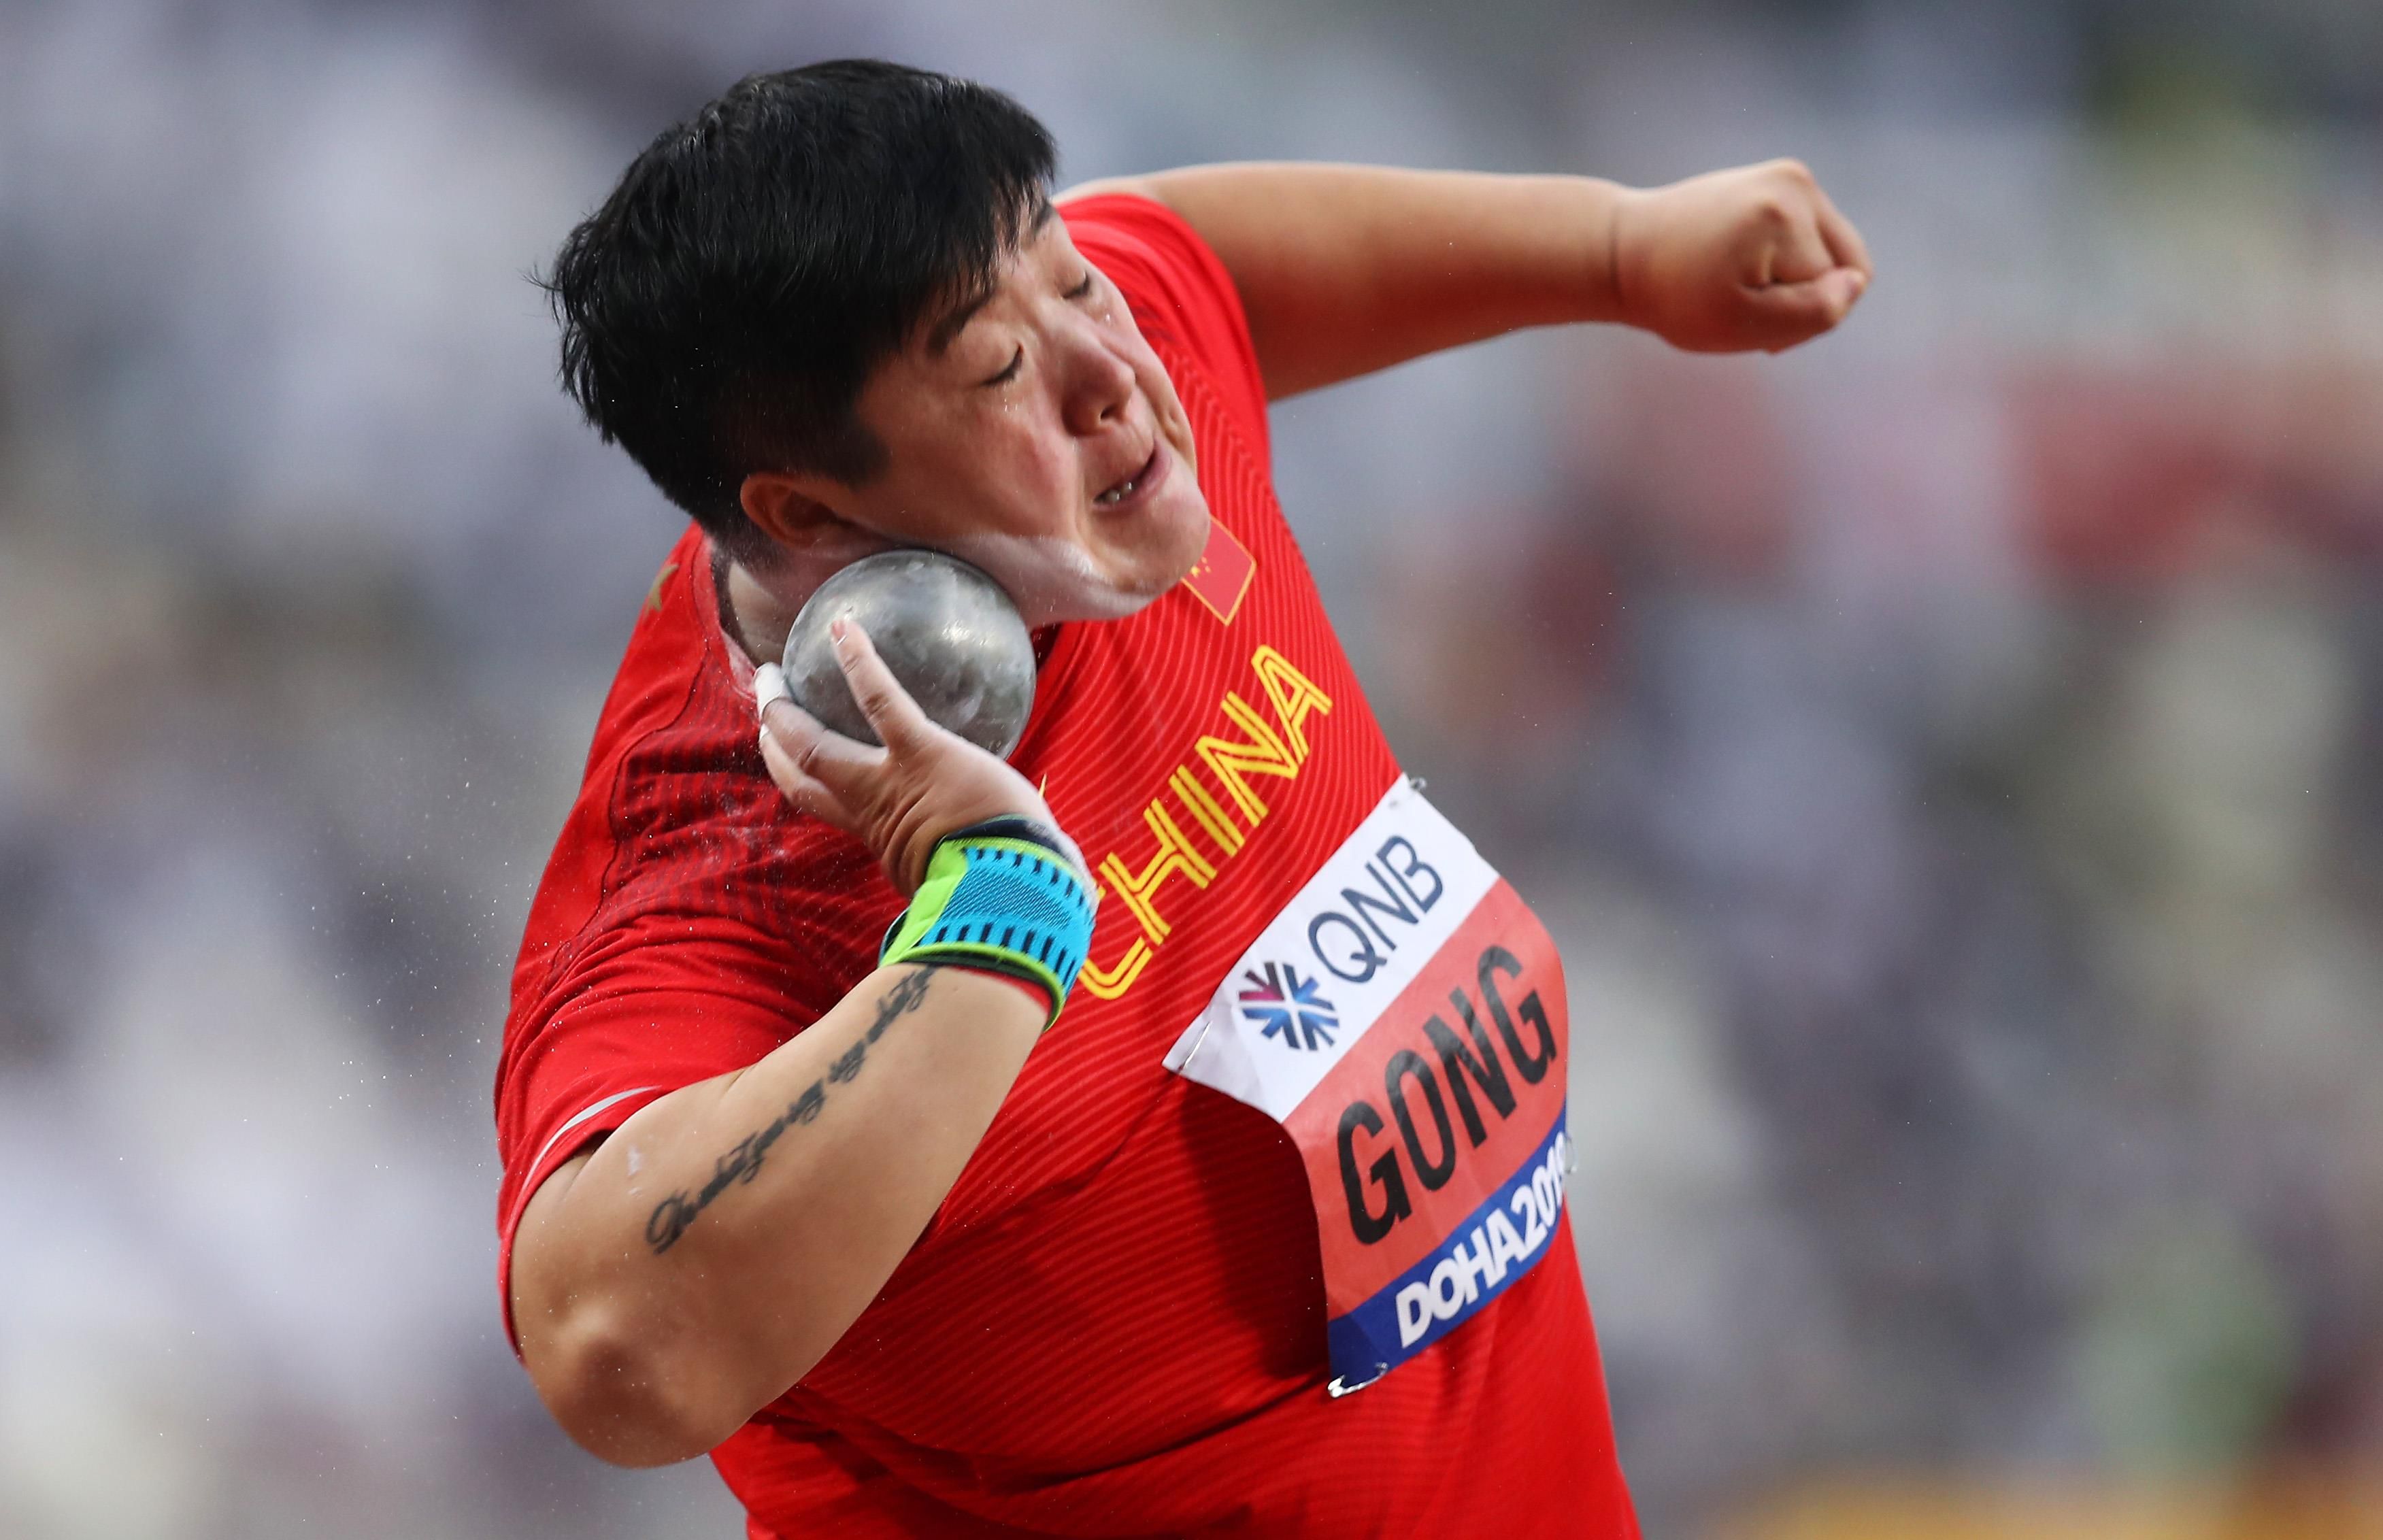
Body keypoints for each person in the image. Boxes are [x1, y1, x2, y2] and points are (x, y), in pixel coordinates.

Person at [495, 58, 1870, 1538]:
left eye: (1072, 283)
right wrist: (992, 923)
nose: (1115, 375)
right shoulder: (720, 872)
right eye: (999, 370)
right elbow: (618, 1356)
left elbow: (1198, 258)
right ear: (812, 515)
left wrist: (1619, 254)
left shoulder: (1104, 444)